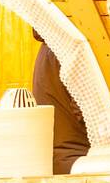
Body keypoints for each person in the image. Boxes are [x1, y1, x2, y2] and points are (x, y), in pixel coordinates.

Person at [30, 31, 89, 174]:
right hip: (76, 162)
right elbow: (87, 112)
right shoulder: (70, 49)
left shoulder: (52, 44)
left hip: (58, 159)